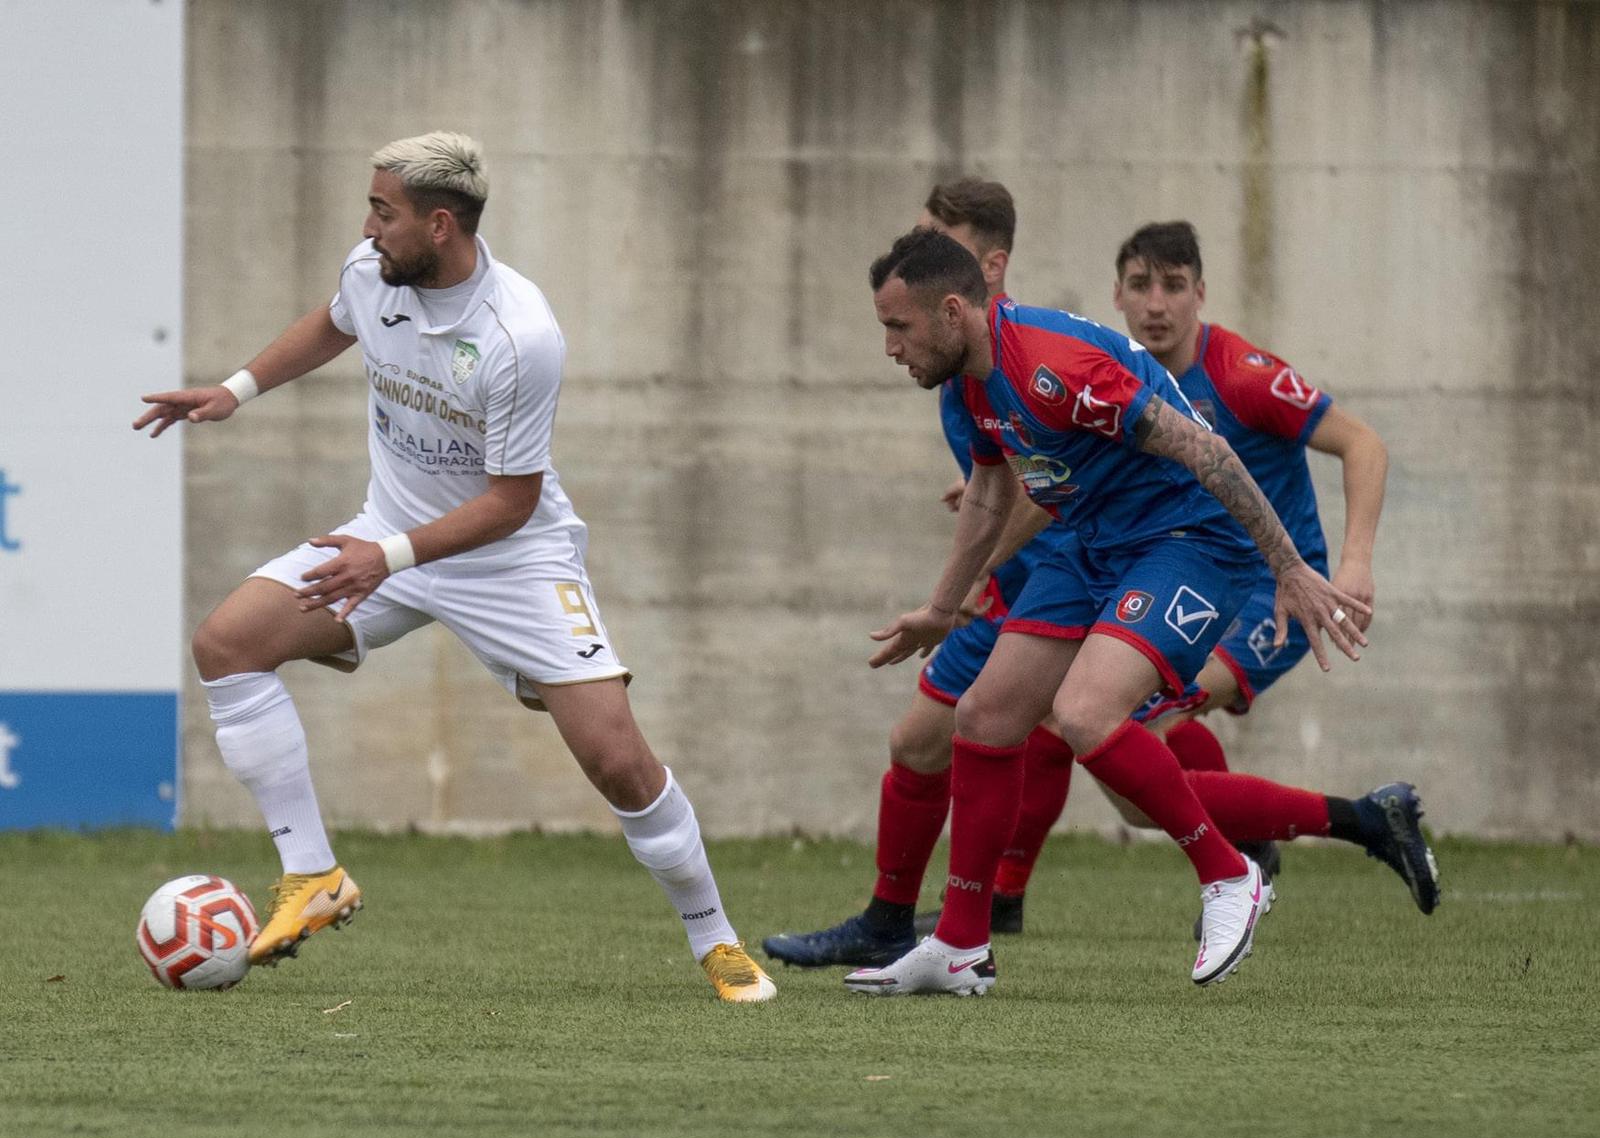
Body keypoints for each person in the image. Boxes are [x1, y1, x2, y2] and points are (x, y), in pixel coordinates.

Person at [133, 131, 775, 1003]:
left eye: (384, 211)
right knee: (227, 645)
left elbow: (512, 501)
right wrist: (234, 390)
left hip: (512, 559)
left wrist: (384, 558)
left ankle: (716, 938)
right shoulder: (373, 272)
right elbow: (335, 322)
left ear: (440, 225)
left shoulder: (520, 335)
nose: (368, 227)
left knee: (618, 761)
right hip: (385, 539)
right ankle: (312, 874)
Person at [846, 226, 1371, 995]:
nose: (891, 347)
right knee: (984, 718)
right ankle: (960, 945)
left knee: (1085, 713)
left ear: (953, 312)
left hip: (1190, 540)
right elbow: (991, 492)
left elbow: (1209, 451)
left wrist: (1289, 567)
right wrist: (942, 606)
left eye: (899, 326)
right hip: (1092, 538)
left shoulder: (1057, 370)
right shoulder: (973, 379)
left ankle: (1230, 875)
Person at [989, 221, 1441, 929]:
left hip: (1272, 595)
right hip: (1176, 571)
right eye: (1140, 286)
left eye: (1173, 286)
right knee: (1114, 753)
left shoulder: (1240, 376)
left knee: (1111, 729)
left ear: (1200, 293)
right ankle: (1323, 830)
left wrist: (1355, 562)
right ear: (1116, 295)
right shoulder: (1117, 377)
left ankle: (1257, 854)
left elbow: (1363, 443)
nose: (1156, 304)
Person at [764, 180, 1078, 969]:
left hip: (1070, 579)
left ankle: (1257, 856)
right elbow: (1003, 475)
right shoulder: (958, 359)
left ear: (989, 267)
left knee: (1102, 740)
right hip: (1006, 585)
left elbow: (1054, 483)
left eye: (939, 242)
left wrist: (974, 575)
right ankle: (897, 921)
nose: (917, 258)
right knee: (920, 742)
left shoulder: (1015, 351)